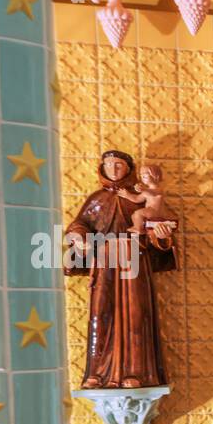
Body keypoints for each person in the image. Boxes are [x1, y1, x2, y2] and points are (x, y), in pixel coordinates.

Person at [64, 150, 177, 389]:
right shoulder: (96, 200)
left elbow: (161, 224)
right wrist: (77, 236)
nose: (114, 170)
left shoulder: (140, 196)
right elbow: (80, 224)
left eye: (119, 165)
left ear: (129, 168)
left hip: (133, 262)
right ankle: (97, 373)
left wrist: (161, 237)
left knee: (136, 314)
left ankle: (137, 373)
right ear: (102, 169)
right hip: (104, 262)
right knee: (100, 314)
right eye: (109, 165)